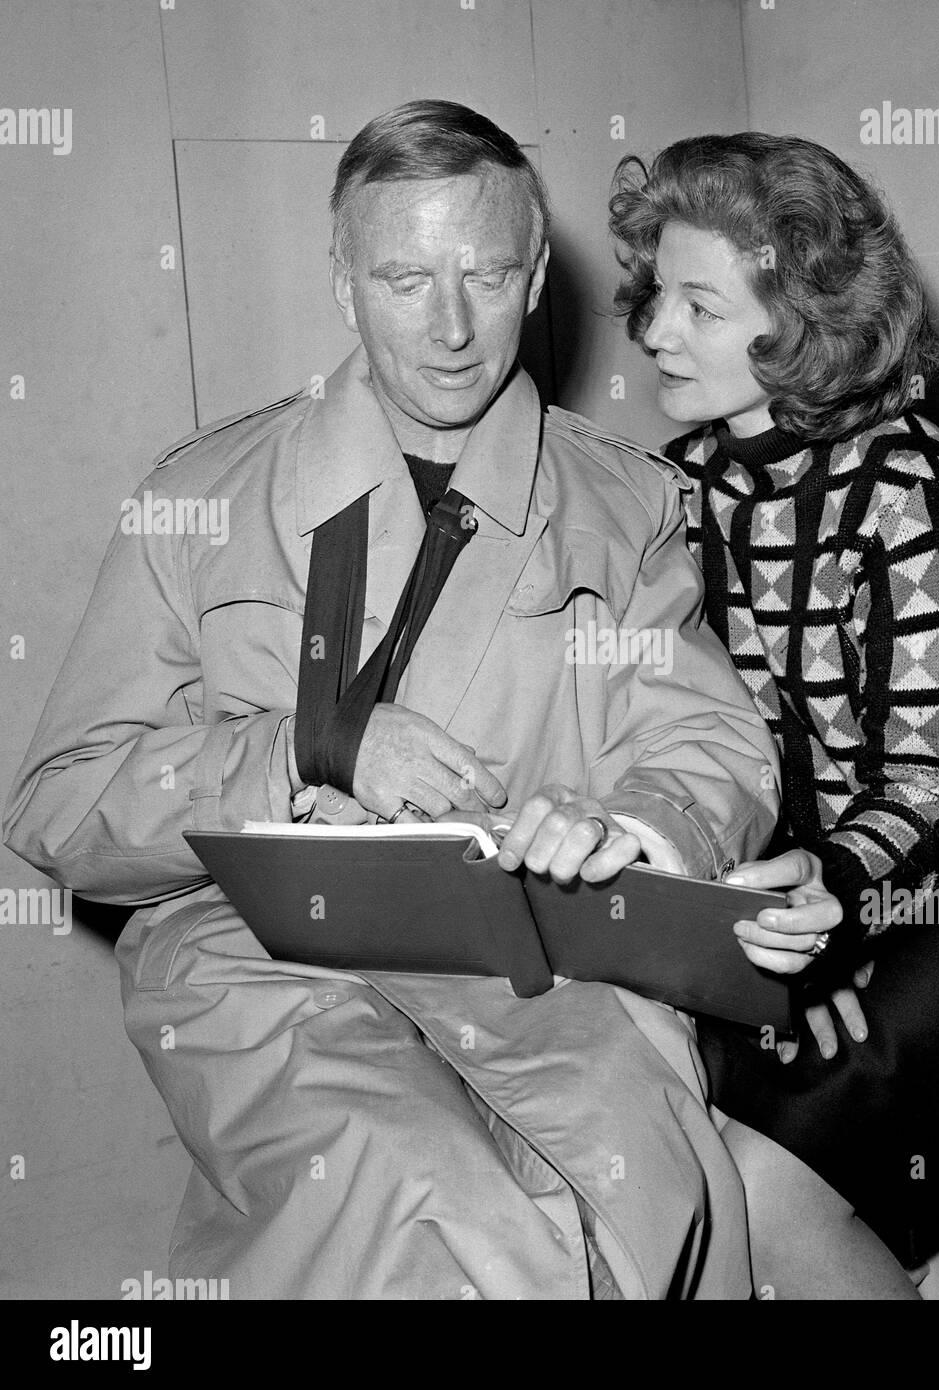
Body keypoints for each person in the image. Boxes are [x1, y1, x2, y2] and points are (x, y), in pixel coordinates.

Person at [3, 101, 783, 1300]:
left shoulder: (625, 504)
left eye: (488, 274)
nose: (456, 327)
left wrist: (630, 823)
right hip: (256, 959)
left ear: (534, 281)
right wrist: (307, 747)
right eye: (407, 279)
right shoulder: (202, 495)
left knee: (641, 1213)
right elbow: (58, 808)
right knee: (447, 1221)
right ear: (343, 283)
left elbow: (706, 746)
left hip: (537, 957)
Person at [609, 133, 939, 1298]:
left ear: (800, 318)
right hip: (841, 894)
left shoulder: (910, 490)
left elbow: (926, 794)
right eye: (656, 298)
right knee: (668, 1148)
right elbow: (714, 747)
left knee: (756, 1188)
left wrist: (850, 913)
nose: (653, 332)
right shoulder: (687, 487)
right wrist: (823, 942)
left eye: (700, 305)